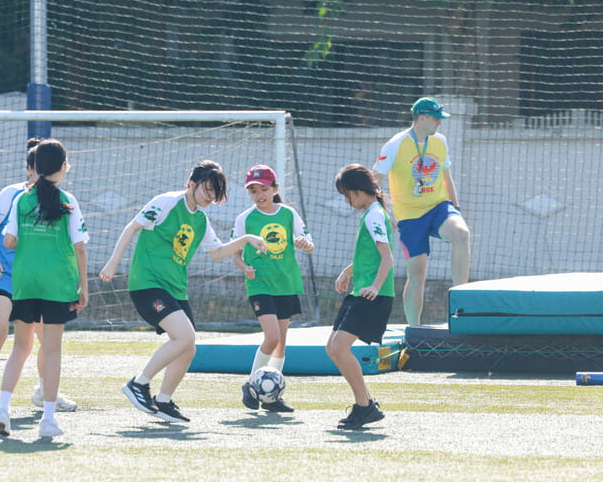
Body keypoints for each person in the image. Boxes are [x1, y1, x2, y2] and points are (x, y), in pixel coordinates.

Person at [99, 160, 268, 423]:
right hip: (148, 284)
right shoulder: (167, 201)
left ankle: (163, 401)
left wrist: (246, 239)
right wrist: (113, 262)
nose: (211, 196)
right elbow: (133, 227)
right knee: (184, 336)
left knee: (188, 347)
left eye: (216, 192)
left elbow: (217, 252)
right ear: (192, 184)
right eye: (208, 189)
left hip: (176, 289)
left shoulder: (201, 219)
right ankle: (138, 383)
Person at [0, 139, 78, 417]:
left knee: (45, 339)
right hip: (1, 274)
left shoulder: (58, 198)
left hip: (32, 279)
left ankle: (45, 391)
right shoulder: (13, 195)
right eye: (35, 169)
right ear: (30, 169)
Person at [0, 139, 88, 438]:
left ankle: (2, 410)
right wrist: (84, 286)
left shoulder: (21, 200)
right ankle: (47, 419)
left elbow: (8, 241)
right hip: (57, 282)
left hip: (25, 281)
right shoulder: (67, 200)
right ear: (61, 167)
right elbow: (80, 248)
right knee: (52, 348)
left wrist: (31, 241)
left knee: (20, 347)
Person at [373, 97, 469, 326]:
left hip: (438, 207)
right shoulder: (394, 145)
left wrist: (455, 208)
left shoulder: (440, 142)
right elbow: (373, 180)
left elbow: (446, 178)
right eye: (436, 119)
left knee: (462, 234)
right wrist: (385, 213)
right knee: (417, 273)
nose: (440, 124)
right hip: (410, 216)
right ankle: (414, 328)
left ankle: (462, 303)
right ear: (422, 117)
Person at [230, 164, 314, 412]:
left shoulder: (289, 214)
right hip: (260, 285)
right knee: (272, 337)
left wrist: (304, 243)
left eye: (264, 189)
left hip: (286, 284)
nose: (259, 195)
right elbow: (235, 254)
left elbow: (310, 243)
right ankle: (250, 384)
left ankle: (271, 397)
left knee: (281, 343)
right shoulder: (245, 218)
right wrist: (244, 266)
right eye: (253, 191)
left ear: (275, 188)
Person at [325, 164, 394, 430]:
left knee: (339, 348)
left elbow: (387, 257)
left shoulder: (375, 215)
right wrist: (349, 270)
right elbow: (371, 255)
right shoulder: (371, 213)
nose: (346, 200)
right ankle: (366, 405)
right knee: (332, 348)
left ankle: (364, 406)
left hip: (372, 294)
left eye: (347, 195)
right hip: (361, 290)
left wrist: (376, 286)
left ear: (359, 191)